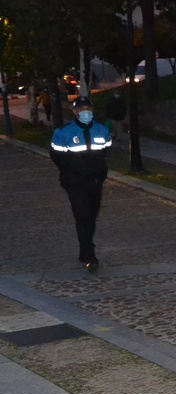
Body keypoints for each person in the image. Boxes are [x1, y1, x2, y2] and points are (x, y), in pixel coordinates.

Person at [49, 96, 112, 271]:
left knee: (91, 216)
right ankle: (90, 255)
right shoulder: (63, 132)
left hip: (95, 180)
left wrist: (99, 170)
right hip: (75, 181)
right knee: (82, 216)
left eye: (88, 109)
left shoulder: (101, 130)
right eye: (81, 109)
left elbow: (105, 151)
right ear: (75, 112)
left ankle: (84, 250)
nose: (86, 112)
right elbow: (56, 156)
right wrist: (71, 170)